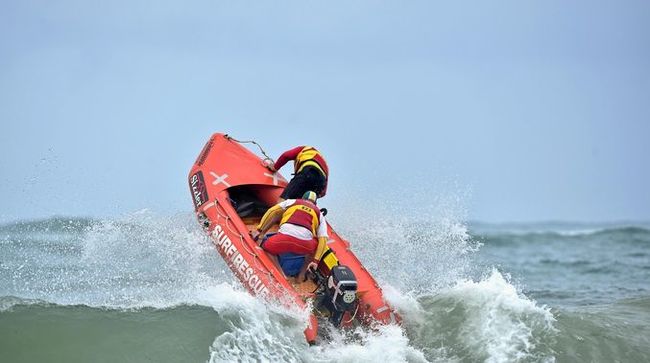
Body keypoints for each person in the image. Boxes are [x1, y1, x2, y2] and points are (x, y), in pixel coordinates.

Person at [251, 191, 331, 280]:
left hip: (284, 240)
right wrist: (316, 261)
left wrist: (259, 230)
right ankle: (301, 275)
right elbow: (323, 240)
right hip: (304, 246)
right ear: (315, 203)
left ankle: (281, 275)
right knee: (316, 245)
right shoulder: (320, 215)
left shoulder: (292, 202)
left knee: (267, 248)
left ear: (302, 198)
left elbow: (272, 211)